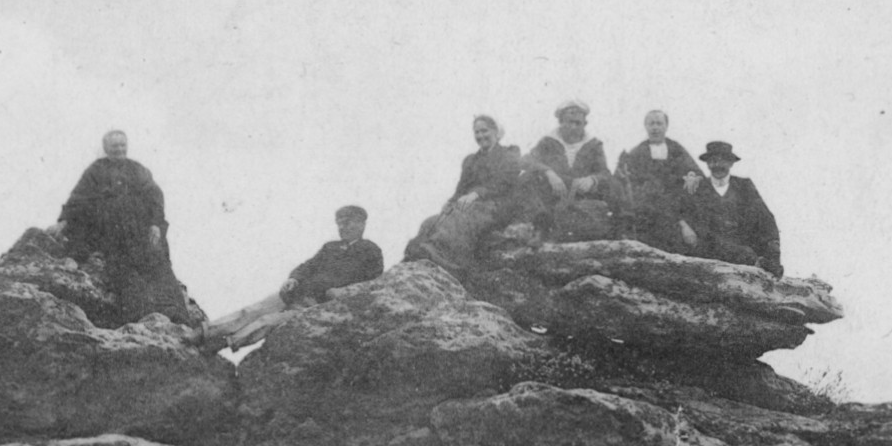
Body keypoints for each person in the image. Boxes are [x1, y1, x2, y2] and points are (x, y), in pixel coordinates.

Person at [47, 130, 195, 326]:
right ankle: (137, 317)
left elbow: (155, 198)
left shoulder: (138, 170)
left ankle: (177, 317)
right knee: (123, 270)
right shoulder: (96, 170)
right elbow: (80, 197)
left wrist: (155, 224)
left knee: (158, 265)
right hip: (111, 231)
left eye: (122, 145)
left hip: (140, 230)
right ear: (106, 148)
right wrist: (64, 221)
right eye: (114, 146)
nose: (119, 149)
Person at [203, 206, 383, 350]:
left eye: (347, 223)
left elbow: (371, 284)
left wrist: (341, 292)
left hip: (317, 304)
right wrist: (294, 279)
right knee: (253, 310)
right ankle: (204, 332)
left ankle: (225, 343)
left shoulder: (371, 251)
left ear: (361, 223)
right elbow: (308, 266)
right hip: (297, 291)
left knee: (267, 322)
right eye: (339, 223)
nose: (342, 228)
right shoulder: (330, 247)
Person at [405, 115, 524, 273]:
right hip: (468, 204)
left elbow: (503, 183)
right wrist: (450, 202)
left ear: (496, 132)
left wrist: (476, 194)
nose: (480, 136)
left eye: (485, 131)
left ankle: (447, 259)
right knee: (431, 222)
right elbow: (461, 189)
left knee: (459, 217)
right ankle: (416, 254)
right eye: (477, 132)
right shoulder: (470, 161)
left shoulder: (509, 156)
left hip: (496, 205)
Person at [678, 141, 784, 277]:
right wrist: (684, 226)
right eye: (713, 161)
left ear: (731, 163)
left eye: (723, 161)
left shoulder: (744, 186)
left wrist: (773, 252)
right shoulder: (698, 187)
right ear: (708, 164)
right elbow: (682, 210)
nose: (718, 165)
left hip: (743, 252)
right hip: (709, 251)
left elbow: (766, 219)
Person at [521, 99, 615, 241]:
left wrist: (592, 180)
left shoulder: (594, 144)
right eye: (568, 122)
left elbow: (604, 173)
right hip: (552, 194)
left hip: (580, 194)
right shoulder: (548, 141)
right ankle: (541, 226)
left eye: (577, 123)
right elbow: (526, 160)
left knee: (616, 186)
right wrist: (549, 172)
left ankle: (616, 230)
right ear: (560, 122)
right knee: (527, 177)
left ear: (585, 124)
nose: (573, 127)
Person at [615, 110, 703, 253]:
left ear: (666, 126)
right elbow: (624, 183)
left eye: (659, 123)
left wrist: (692, 179)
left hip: (678, 209)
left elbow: (694, 175)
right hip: (647, 213)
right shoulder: (637, 152)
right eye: (651, 124)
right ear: (645, 126)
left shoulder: (677, 150)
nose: (655, 127)